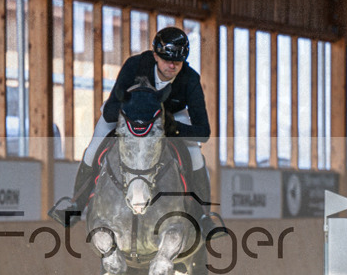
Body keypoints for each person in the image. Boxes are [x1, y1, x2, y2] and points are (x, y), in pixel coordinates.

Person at [49, 26, 219, 234]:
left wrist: (173, 128)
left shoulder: (191, 79)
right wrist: (136, 115)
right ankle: (75, 206)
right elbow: (111, 110)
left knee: (195, 155)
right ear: (155, 55)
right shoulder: (135, 65)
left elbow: (204, 132)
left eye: (178, 61)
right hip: (128, 113)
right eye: (166, 60)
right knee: (94, 148)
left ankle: (203, 216)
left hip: (170, 117)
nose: (172, 66)